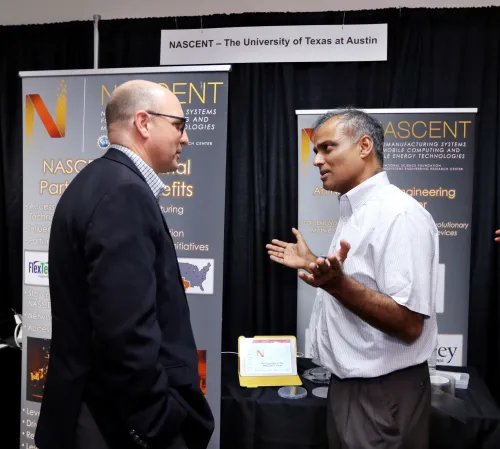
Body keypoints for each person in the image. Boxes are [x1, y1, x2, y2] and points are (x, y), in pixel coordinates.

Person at [35, 80, 214, 449]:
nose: (186, 139)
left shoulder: (98, 181)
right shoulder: (123, 192)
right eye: (179, 126)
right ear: (144, 123)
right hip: (111, 424)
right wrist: (156, 424)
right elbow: (125, 331)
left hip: (96, 411)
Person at [267, 108, 438, 449]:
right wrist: (316, 264)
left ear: (364, 146)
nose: (317, 160)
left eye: (327, 148)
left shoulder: (398, 215)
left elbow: (408, 324)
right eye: (316, 150)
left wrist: (335, 284)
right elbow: (363, 283)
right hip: (354, 387)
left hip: (383, 394)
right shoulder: (359, 210)